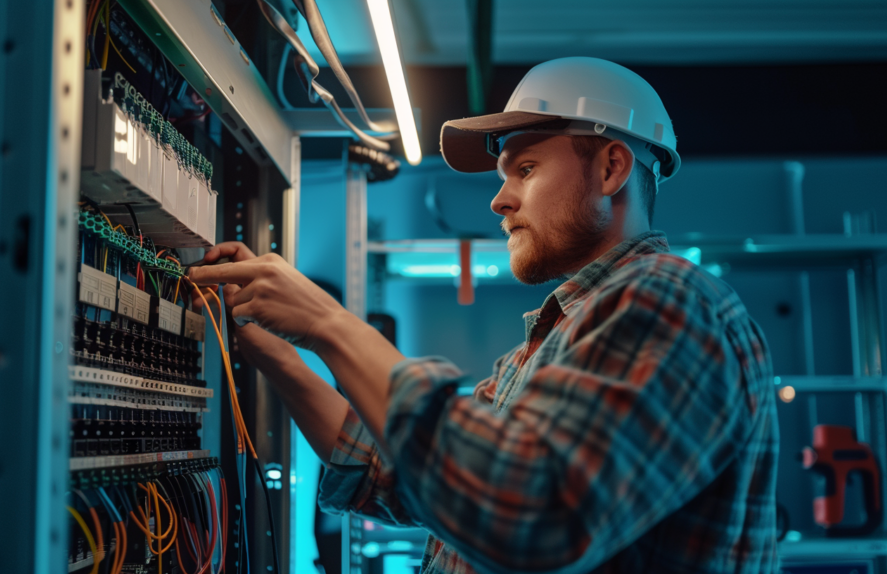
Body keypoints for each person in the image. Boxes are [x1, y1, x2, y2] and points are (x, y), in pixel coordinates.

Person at [189, 57, 779, 573]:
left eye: (525, 171)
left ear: (611, 169)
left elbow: (530, 516)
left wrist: (328, 324)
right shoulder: (556, 336)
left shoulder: (668, 302)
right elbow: (392, 472)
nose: (499, 201)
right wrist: (271, 351)